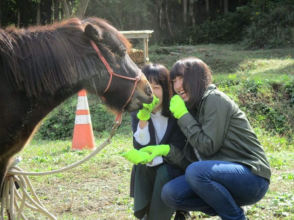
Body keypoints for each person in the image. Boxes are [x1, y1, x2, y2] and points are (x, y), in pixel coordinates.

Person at [139, 57, 271, 220]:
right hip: (220, 177)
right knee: (171, 193)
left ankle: (235, 217)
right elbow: (192, 162)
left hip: (252, 177)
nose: (177, 86)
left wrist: (182, 116)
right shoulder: (191, 108)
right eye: (174, 81)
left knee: (196, 172)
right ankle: (229, 208)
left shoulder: (214, 99)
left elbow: (207, 147)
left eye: (182, 78)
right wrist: (167, 150)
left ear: (196, 78)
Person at [122, 64, 191, 220]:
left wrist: (157, 156)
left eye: (156, 87)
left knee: (163, 171)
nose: (151, 93)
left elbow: (179, 149)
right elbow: (139, 147)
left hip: (174, 164)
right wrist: (143, 120)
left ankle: (170, 213)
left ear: (166, 89)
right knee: (141, 166)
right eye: (147, 87)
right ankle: (145, 213)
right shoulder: (138, 112)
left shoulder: (175, 111)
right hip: (150, 163)